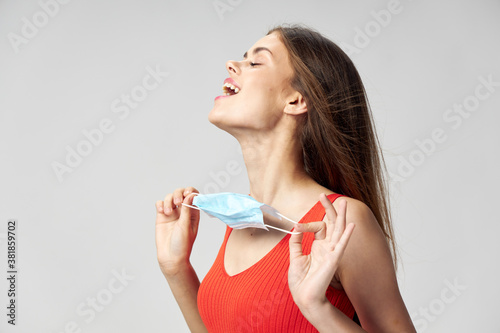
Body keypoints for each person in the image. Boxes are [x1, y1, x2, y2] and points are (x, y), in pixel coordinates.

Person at [155, 24, 416, 332]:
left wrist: (317, 308)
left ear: (295, 100)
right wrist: (176, 269)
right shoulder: (243, 219)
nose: (231, 65)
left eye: (255, 62)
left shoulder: (340, 221)